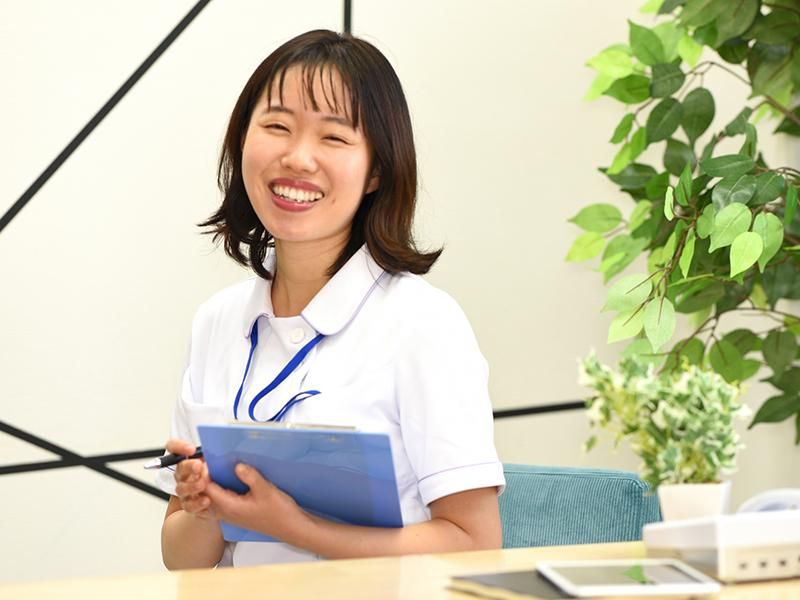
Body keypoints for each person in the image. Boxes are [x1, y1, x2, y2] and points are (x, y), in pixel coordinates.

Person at [156, 29, 505, 569]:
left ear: (377, 171)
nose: (298, 157)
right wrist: (205, 507)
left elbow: (474, 543)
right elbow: (182, 561)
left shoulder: (424, 323)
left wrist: (300, 529)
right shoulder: (216, 322)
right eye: (277, 127)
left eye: (334, 137)